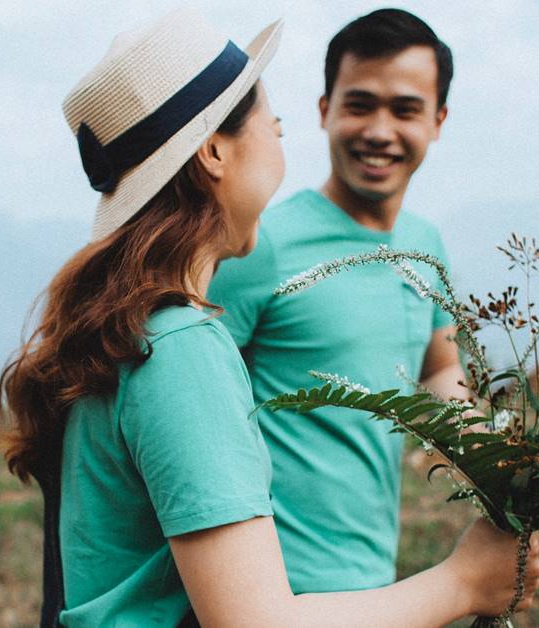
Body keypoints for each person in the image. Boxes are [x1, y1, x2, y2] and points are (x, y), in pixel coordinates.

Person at [0, 9, 539, 627]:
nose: (281, 138)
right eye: (273, 124)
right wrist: (464, 582)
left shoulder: (146, 327)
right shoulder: (181, 347)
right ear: (213, 151)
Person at [208, 9, 473, 593]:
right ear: (324, 111)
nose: (379, 130)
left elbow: (441, 365)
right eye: (359, 105)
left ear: (438, 120)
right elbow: (191, 400)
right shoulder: (260, 244)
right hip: (270, 588)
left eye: (405, 110)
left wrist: (498, 453)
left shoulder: (425, 246)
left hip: (375, 578)